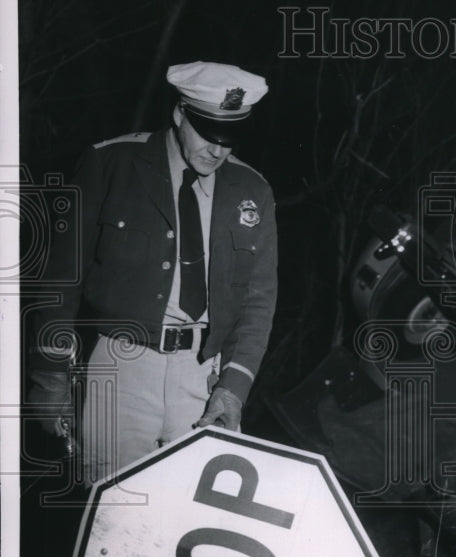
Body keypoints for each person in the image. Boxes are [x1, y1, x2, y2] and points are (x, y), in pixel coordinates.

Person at [27, 61, 278, 483]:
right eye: (208, 132)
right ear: (180, 113)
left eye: (230, 137)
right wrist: (49, 375)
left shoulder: (252, 191)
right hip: (123, 367)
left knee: (196, 515)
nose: (218, 150)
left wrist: (233, 388)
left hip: (204, 374)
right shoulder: (111, 163)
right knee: (113, 514)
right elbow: (60, 279)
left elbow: (258, 301)